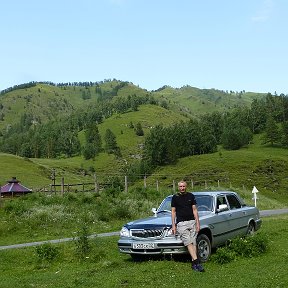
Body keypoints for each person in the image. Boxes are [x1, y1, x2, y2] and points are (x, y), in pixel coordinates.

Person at [171, 180, 205, 272]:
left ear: (186, 187)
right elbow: (173, 212)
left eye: (183, 186)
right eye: (180, 186)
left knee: (194, 242)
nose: (182, 188)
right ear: (178, 187)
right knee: (188, 242)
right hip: (181, 223)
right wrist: (173, 225)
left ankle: (194, 264)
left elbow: (195, 210)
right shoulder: (175, 197)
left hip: (192, 222)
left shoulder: (191, 196)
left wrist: (198, 223)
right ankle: (197, 262)